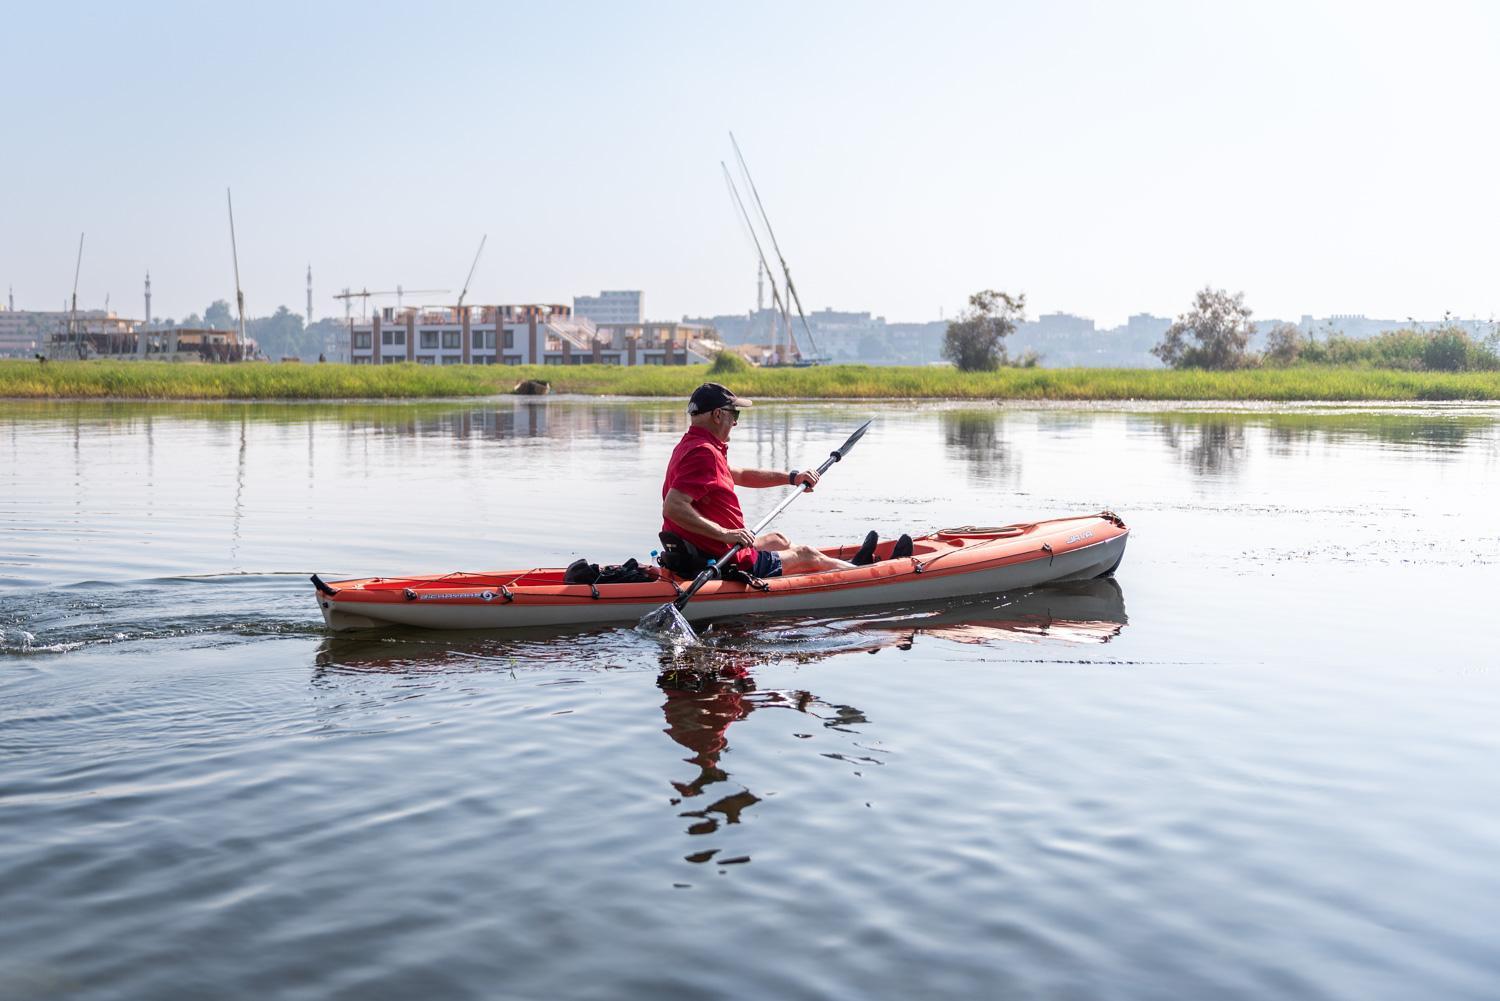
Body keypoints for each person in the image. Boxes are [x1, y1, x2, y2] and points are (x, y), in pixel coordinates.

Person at [661, 383, 873, 578]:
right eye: (734, 414)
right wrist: (725, 534)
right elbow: (673, 507)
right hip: (726, 560)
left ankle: (847, 565)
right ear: (717, 415)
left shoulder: (690, 446)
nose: (735, 422)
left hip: (707, 550)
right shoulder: (703, 452)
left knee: (777, 540)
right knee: (807, 554)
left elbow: (741, 474)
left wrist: (793, 478)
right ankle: (865, 574)